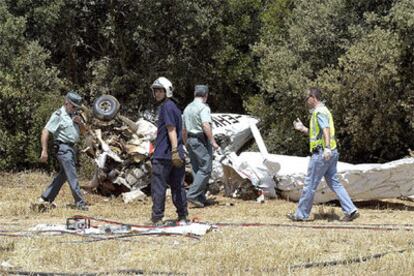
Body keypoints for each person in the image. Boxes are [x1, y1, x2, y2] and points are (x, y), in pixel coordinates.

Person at [288, 88, 359, 222]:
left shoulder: (319, 112)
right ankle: (351, 210)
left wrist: (326, 148)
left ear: (312, 97)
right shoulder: (324, 111)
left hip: (322, 154)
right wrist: (303, 129)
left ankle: (301, 215)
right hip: (331, 153)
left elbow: (325, 129)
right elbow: (317, 134)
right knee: (334, 183)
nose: (306, 101)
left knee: (309, 185)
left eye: (306, 98)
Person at [36, 91, 88, 211]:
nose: (75, 109)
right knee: (72, 175)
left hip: (72, 148)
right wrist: (44, 150)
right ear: (66, 103)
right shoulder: (58, 115)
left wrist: (80, 124)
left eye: (77, 107)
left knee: (63, 176)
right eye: (73, 106)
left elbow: (85, 132)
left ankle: (46, 198)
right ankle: (80, 203)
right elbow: (46, 131)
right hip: (63, 148)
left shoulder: (75, 116)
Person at [150, 77, 188, 225]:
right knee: (178, 187)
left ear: (167, 91)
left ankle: (157, 218)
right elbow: (182, 131)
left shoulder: (166, 107)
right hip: (177, 153)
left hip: (164, 155)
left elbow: (171, 129)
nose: (157, 93)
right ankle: (183, 216)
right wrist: (181, 149)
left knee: (159, 187)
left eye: (160, 90)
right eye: (156, 91)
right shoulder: (176, 108)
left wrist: (173, 150)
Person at [183, 85, 219, 208]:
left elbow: (183, 129)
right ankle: (192, 195)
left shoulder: (187, 108)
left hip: (190, 140)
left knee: (197, 169)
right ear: (206, 95)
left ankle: (200, 198)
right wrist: (213, 142)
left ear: (195, 94)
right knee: (206, 168)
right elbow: (205, 125)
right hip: (200, 140)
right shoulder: (203, 108)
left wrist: (185, 142)